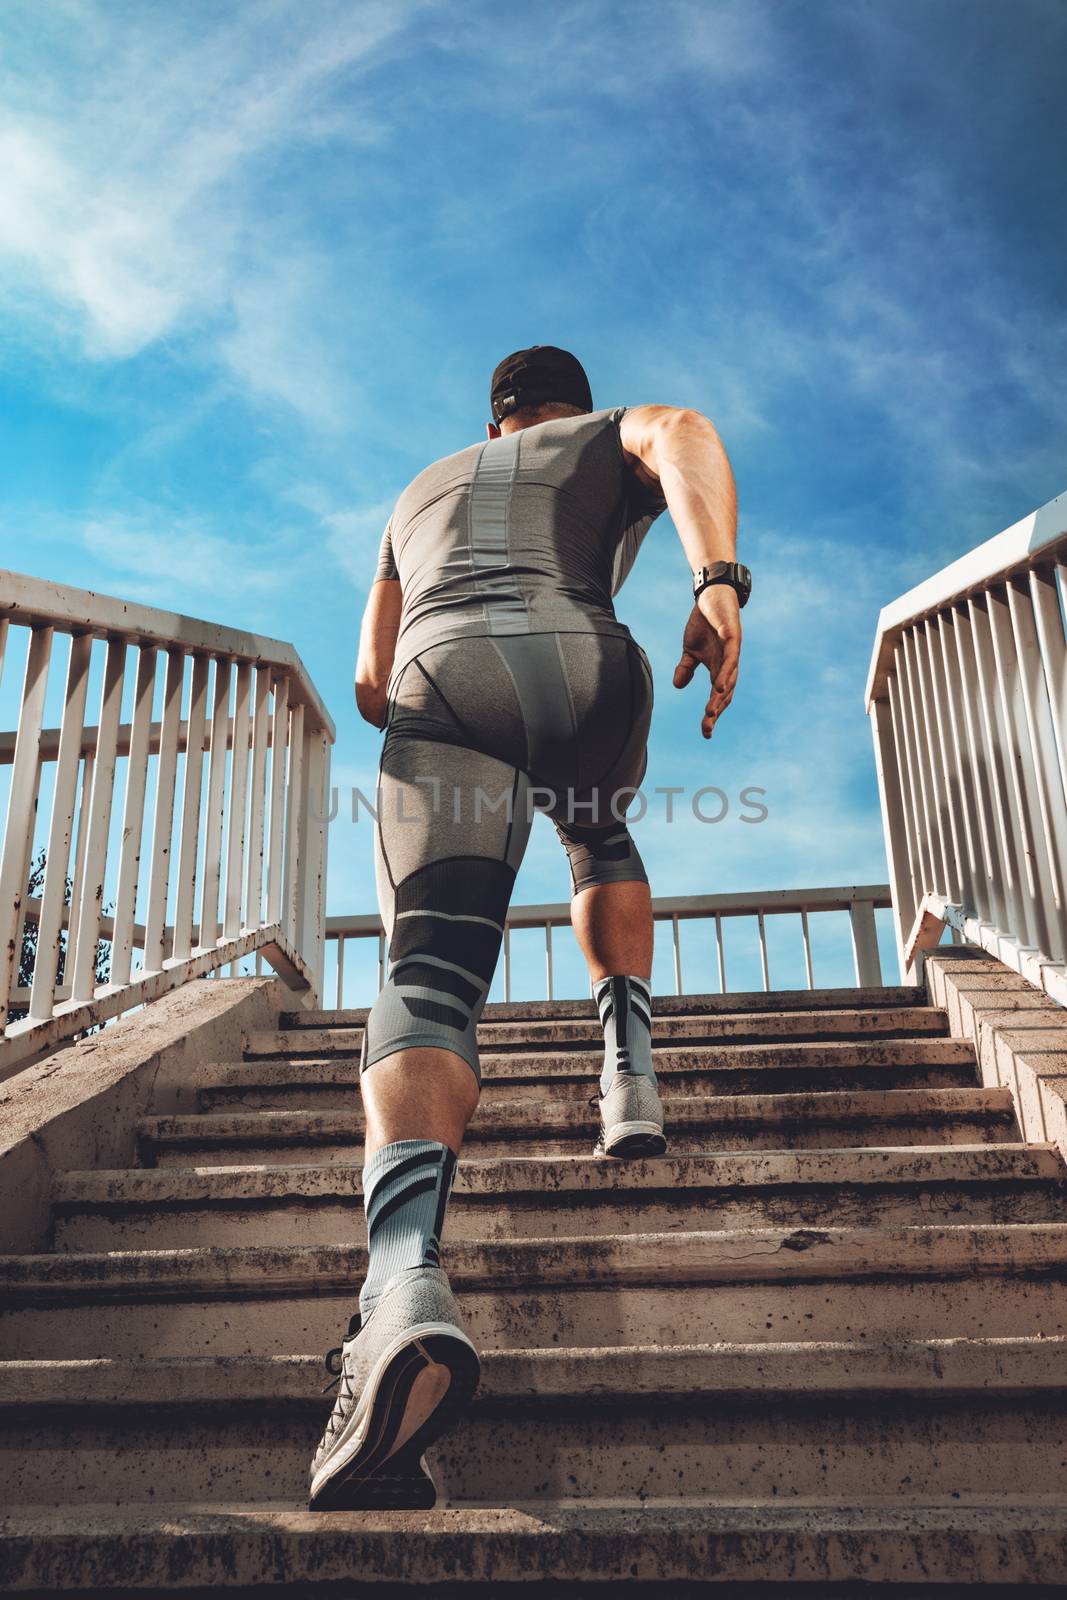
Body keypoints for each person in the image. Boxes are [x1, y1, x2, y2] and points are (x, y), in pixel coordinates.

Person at [308, 346, 747, 1510]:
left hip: (450, 671)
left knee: (432, 972)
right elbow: (686, 430)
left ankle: (400, 1286)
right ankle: (627, 1069)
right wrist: (716, 579)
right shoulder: (611, 432)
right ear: (565, 405)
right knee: (597, 837)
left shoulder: (417, 491)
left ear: (492, 418)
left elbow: (365, 675)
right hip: (594, 664)